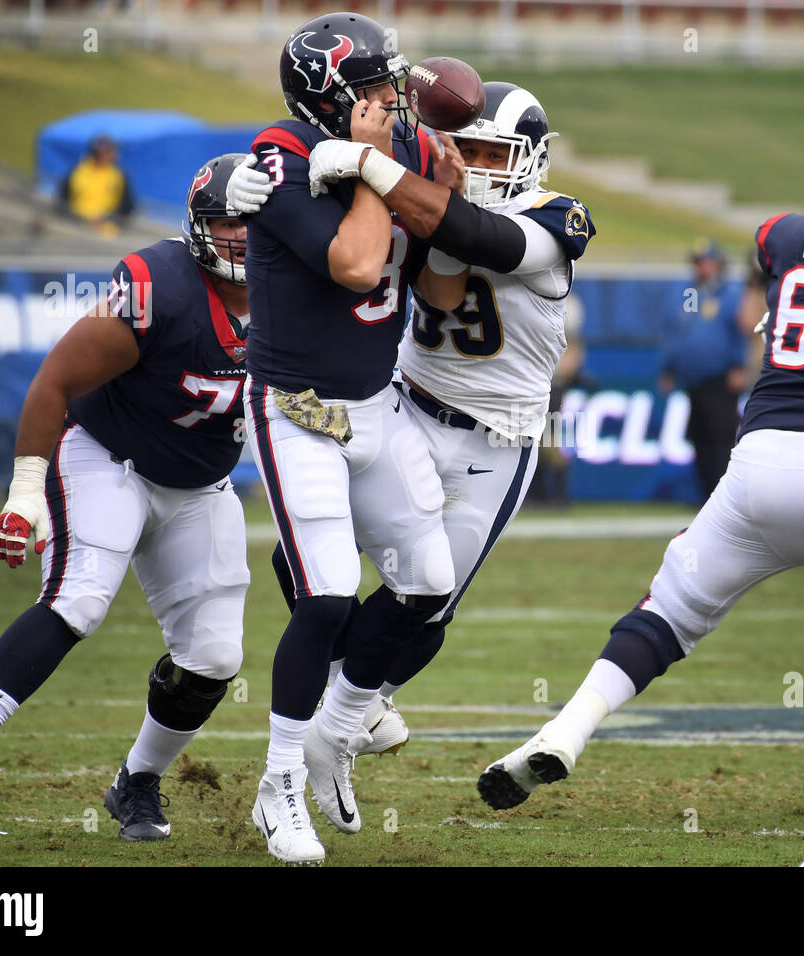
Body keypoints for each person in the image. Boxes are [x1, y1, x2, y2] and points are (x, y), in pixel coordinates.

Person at [473, 140, 804, 812]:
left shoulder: (788, 235)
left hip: (761, 461)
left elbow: (767, 266)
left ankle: (566, 728)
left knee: (669, 610)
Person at [231, 78, 595, 839]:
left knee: (432, 603)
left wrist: (382, 167)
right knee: (314, 569)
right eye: (467, 147)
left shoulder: (556, 219)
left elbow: (479, 239)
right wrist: (237, 180)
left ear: (529, 158)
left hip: (499, 438)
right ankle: (326, 728)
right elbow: (431, 273)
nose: (479, 164)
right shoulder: (429, 194)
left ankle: (347, 716)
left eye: (495, 151)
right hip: (402, 407)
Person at [0, 155, 253, 844]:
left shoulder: (297, 297)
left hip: (199, 485)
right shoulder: (162, 287)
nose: (239, 236)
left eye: (252, 222)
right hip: (108, 458)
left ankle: (138, 781)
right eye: (225, 222)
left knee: (214, 657)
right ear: (198, 227)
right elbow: (53, 382)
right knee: (80, 597)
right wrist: (26, 490)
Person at [233, 11, 462, 865]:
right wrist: (376, 177)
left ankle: (336, 729)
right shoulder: (280, 155)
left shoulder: (396, 142)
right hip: (297, 409)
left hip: (378, 404)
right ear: (326, 99)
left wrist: (441, 196)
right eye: (370, 87)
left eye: (387, 84)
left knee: (430, 583)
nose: (388, 99)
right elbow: (359, 266)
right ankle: (279, 781)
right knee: (328, 593)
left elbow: (436, 296)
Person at [658, 240, 748, 501]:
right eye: (698, 262)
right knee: (699, 437)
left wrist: (738, 366)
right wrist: (669, 367)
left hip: (720, 378)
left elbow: (739, 332)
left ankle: (723, 496)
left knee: (722, 437)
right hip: (693, 378)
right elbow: (679, 332)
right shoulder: (689, 294)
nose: (702, 267)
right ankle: (705, 493)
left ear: (718, 264)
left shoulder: (729, 294)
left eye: (707, 262)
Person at [59, 135, 135, 236]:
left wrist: (109, 219)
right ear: (97, 153)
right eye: (109, 152)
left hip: (106, 229)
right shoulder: (79, 170)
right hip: (76, 223)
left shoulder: (118, 175)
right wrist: (72, 217)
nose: (114, 155)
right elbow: (63, 197)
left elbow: (127, 205)